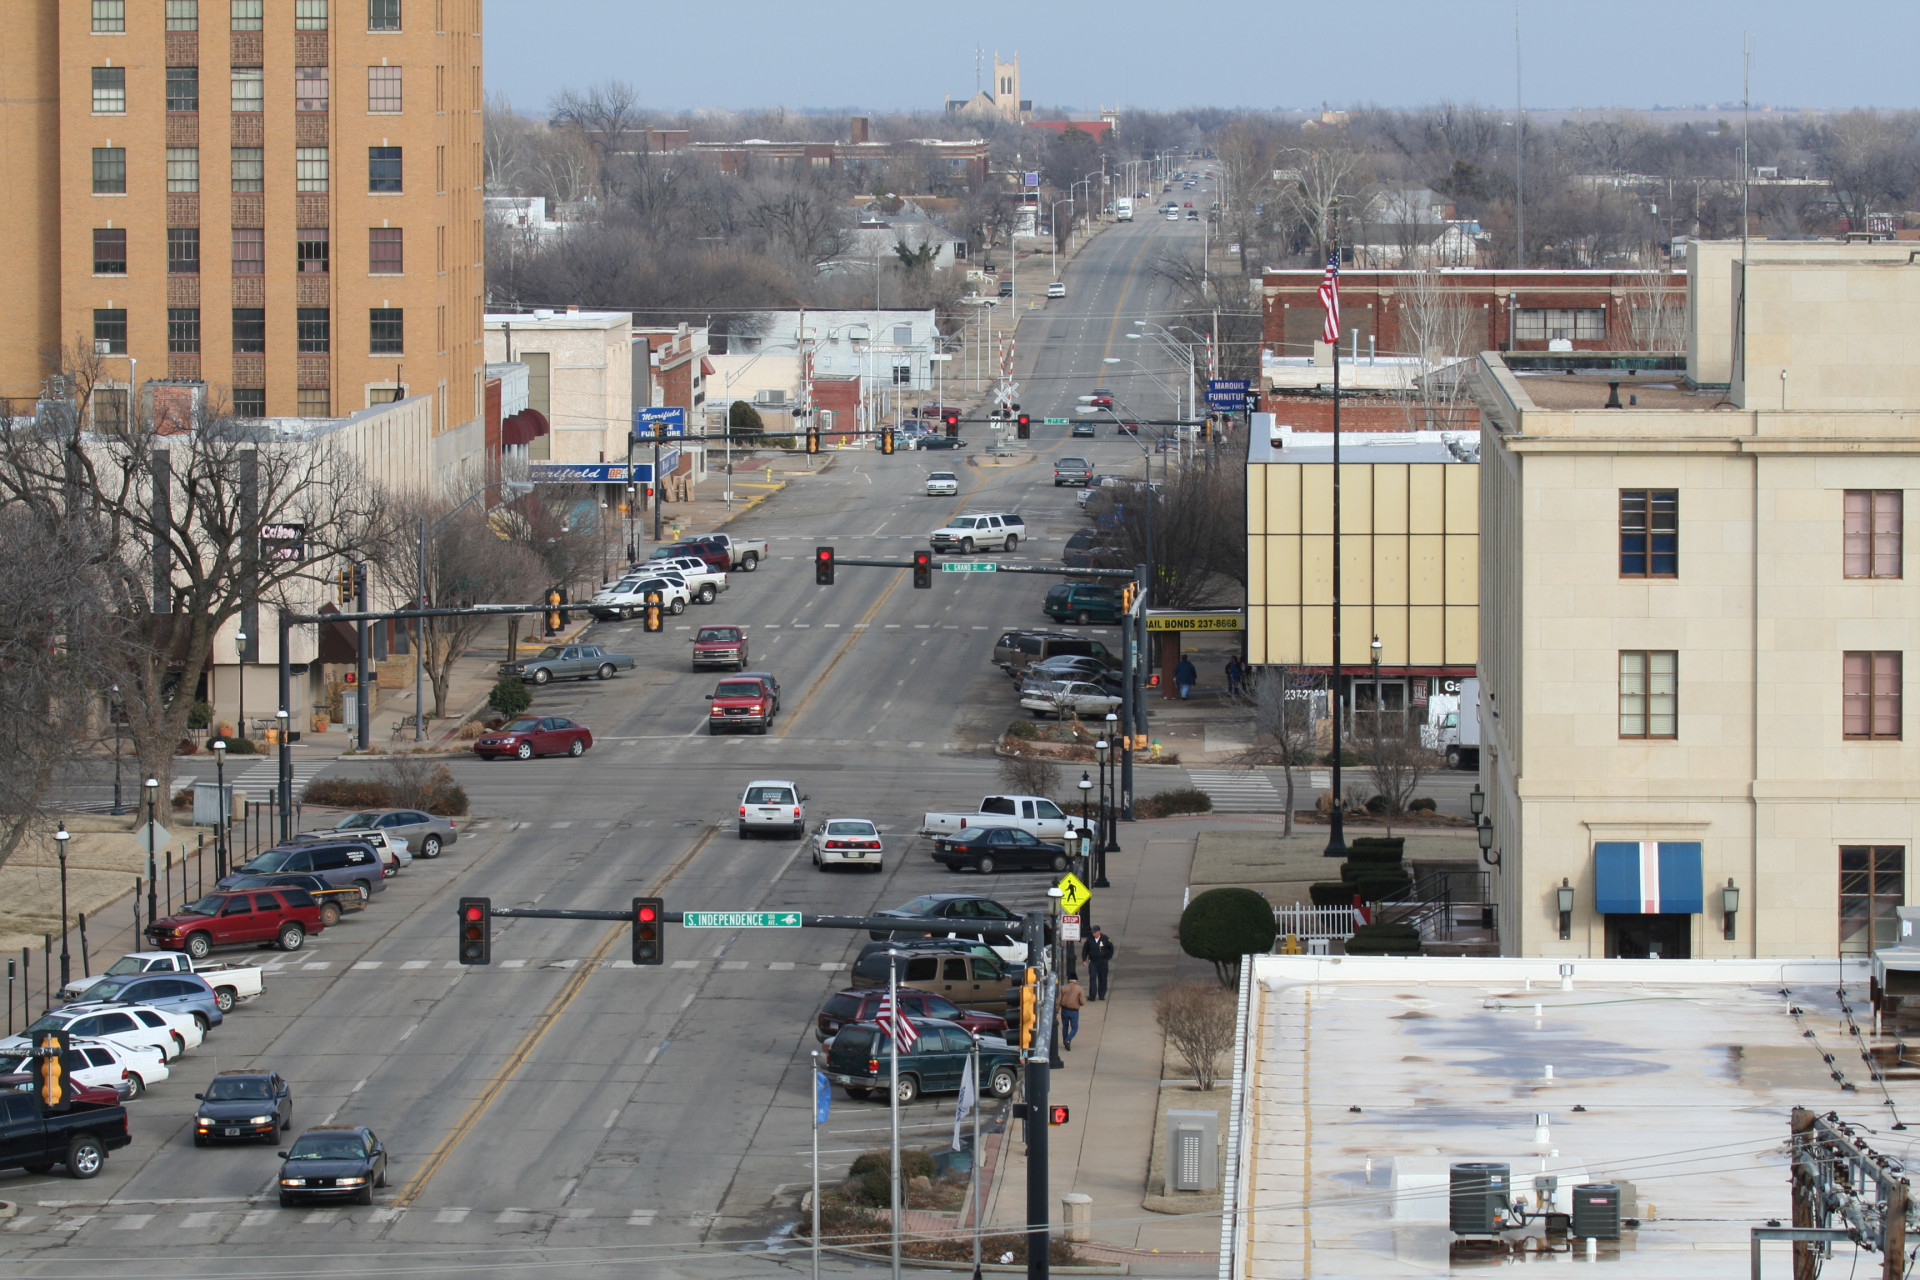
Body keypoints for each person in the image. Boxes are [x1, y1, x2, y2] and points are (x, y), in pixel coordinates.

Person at [1082, 926, 1115, 1000]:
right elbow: (1085, 950)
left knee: (1102, 978)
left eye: (1095, 932)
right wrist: (1084, 959)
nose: (1093, 934)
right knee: (1092, 977)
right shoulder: (1089, 939)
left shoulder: (1105, 939)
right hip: (1093, 961)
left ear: (1098, 932)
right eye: (1093, 932)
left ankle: (1101, 994)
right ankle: (1092, 995)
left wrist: (1107, 958)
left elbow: (1111, 948)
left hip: (1102, 961)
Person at [1059, 977, 1085, 1049]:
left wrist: (1056, 1010)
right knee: (1074, 1028)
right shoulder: (1079, 989)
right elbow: (1082, 1002)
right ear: (1076, 981)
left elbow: (1059, 1000)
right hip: (1074, 1011)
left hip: (1064, 1010)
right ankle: (1067, 1039)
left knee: (1065, 1026)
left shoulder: (1063, 988)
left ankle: (1065, 1041)